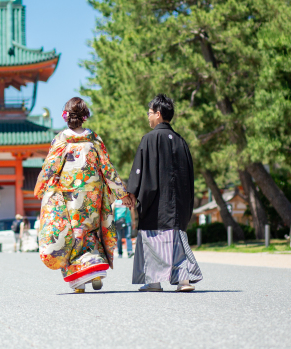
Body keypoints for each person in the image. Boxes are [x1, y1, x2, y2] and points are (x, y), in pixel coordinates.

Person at [36, 97, 134, 293]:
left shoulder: (62, 139)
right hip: (93, 194)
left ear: (66, 117)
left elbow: (50, 167)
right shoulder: (94, 139)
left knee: (72, 235)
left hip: (69, 195)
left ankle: (79, 282)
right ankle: (95, 270)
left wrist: (42, 187)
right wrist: (121, 192)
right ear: (84, 117)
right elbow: (107, 168)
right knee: (90, 231)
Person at [128, 94, 203, 292]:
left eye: (150, 113)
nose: (148, 116)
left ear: (158, 114)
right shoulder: (181, 142)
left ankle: (153, 282)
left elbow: (140, 171)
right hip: (178, 202)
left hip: (156, 202)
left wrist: (133, 193)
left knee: (153, 240)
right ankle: (183, 281)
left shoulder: (149, 139)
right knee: (176, 239)